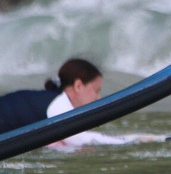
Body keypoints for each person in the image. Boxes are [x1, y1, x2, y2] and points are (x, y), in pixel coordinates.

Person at [0, 58, 161, 146]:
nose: (98, 98)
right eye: (96, 91)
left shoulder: (51, 101)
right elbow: (84, 140)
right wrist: (136, 139)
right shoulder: (58, 105)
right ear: (78, 85)